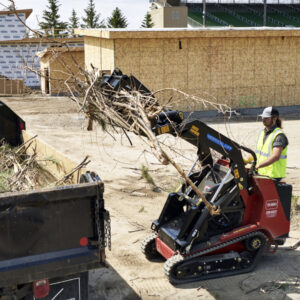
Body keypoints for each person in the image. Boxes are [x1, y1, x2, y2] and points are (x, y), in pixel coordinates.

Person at [255, 107, 288, 181]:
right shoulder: (262, 132)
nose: (263, 119)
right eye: (263, 117)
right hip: (262, 173)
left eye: (266, 118)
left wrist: (259, 165)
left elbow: (275, 156)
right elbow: (259, 152)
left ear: (274, 119)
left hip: (273, 175)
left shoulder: (279, 135)